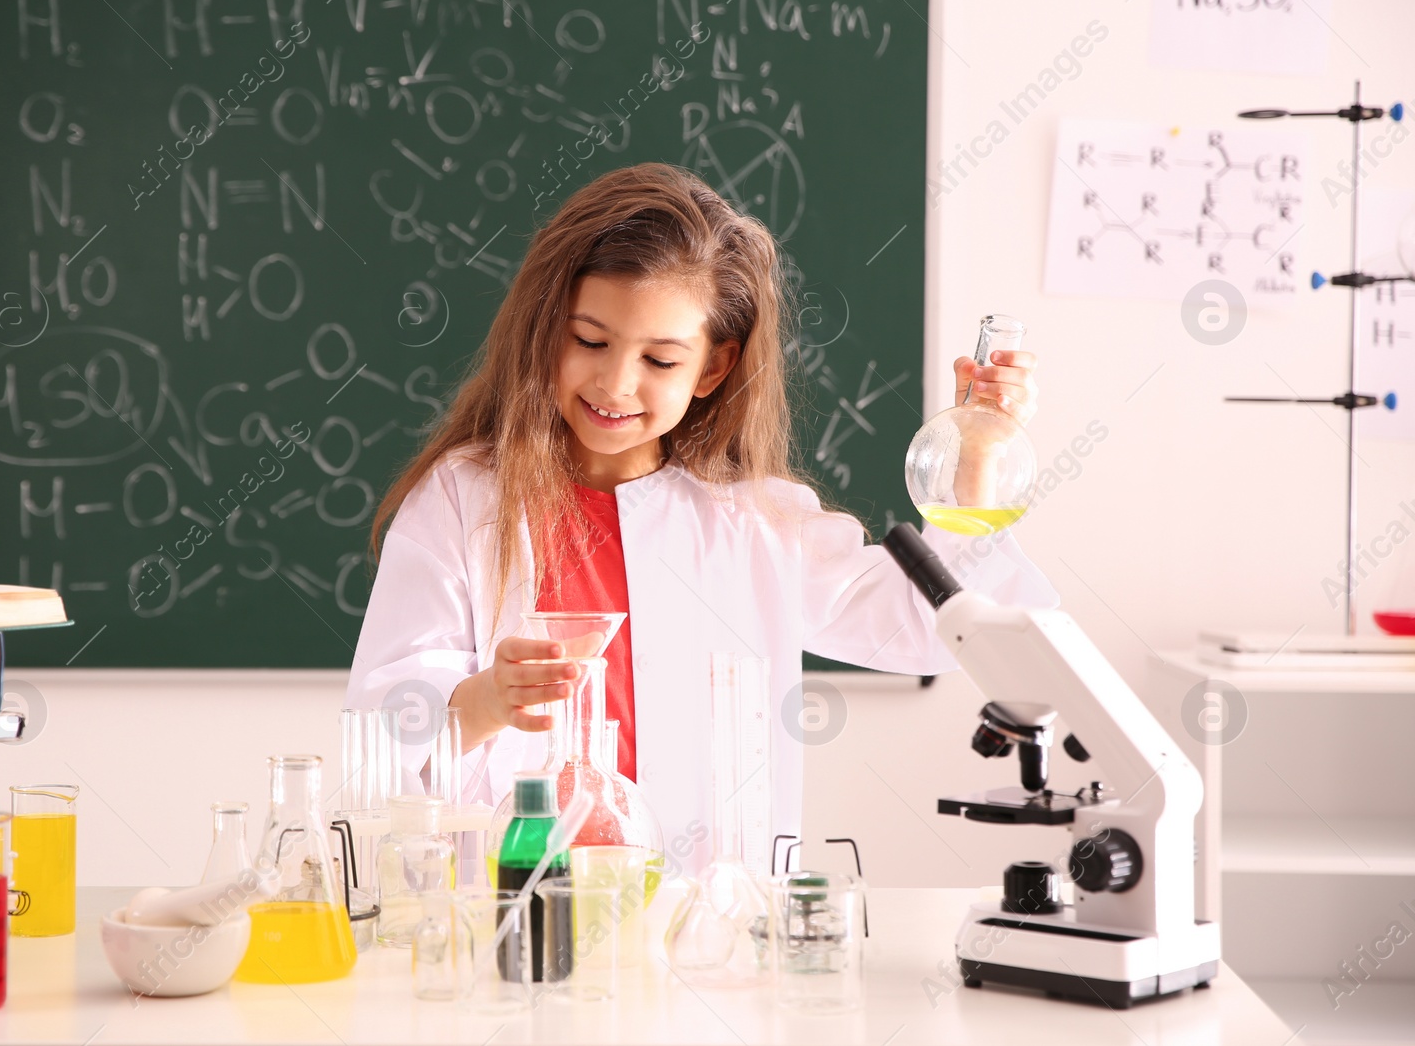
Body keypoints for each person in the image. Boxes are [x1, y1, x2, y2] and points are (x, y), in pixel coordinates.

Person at [345, 163, 1056, 876]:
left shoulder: (753, 521)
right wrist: (487, 699)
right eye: (590, 340)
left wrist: (977, 460)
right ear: (546, 327)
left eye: (660, 358)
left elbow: (933, 629)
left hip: (705, 933)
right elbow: (380, 729)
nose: (616, 383)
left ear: (713, 368)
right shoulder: (464, 500)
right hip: (510, 917)